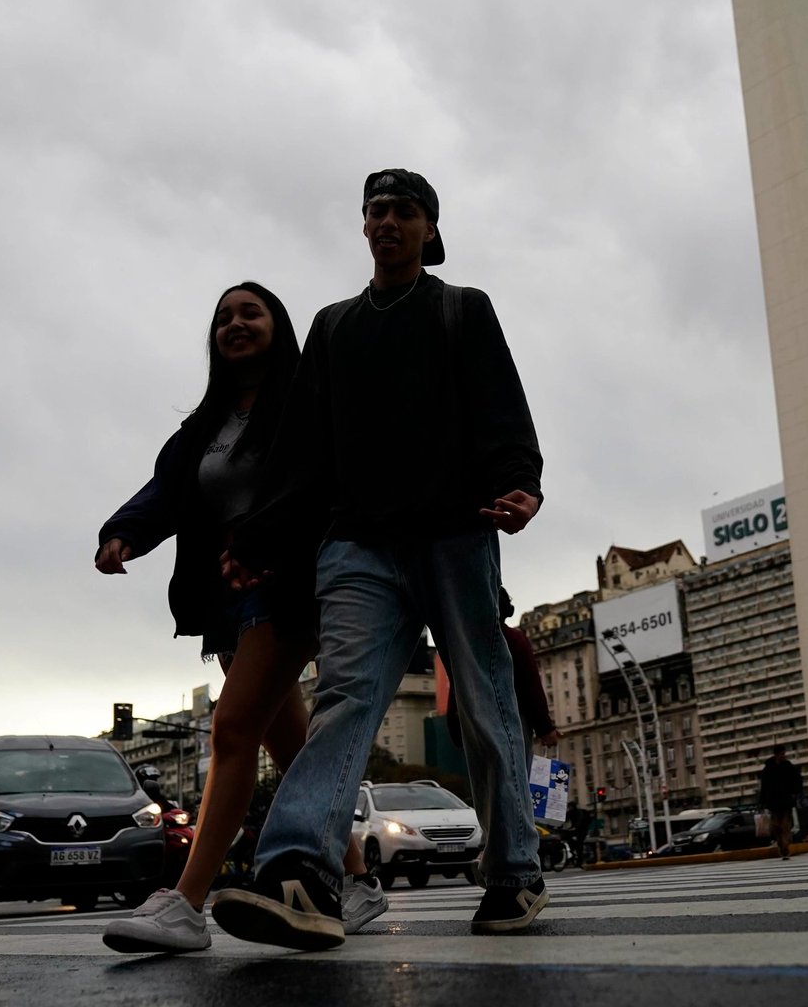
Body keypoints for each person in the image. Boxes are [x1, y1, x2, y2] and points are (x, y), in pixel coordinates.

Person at [211, 169, 549, 948]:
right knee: (346, 699)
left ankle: (513, 872)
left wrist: (520, 486)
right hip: (358, 545)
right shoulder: (334, 327)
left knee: (484, 701)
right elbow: (304, 451)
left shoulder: (463, 309)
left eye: (403, 211)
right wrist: (258, 537)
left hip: (455, 535)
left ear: (430, 230)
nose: (387, 222)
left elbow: (502, 405)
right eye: (375, 211)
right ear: (363, 228)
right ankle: (300, 873)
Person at [94, 282, 383, 954]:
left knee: (230, 730)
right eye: (223, 317)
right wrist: (123, 535)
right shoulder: (203, 428)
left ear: (279, 327)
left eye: (250, 312)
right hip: (227, 601)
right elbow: (166, 492)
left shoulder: (306, 407)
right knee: (286, 743)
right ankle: (360, 881)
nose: (235, 324)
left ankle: (185, 904)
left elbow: (331, 482)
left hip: (290, 589)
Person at [447, 587, 561, 772]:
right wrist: (545, 729)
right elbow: (531, 685)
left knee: (485, 786)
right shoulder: (513, 639)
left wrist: (457, 732)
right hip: (512, 723)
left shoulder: (466, 644)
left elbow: (457, 688)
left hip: (473, 727)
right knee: (515, 781)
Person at [757, 744, 803, 860]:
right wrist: (763, 801)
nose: (783, 756)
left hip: (785, 800)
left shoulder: (788, 766)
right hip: (773, 802)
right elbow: (764, 786)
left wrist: (794, 792)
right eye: (782, 754)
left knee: (785, 825)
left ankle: (785, 846)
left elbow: (797, 779)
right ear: (777, 754)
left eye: (784, 754)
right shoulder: (768, 768)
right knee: (776, 826)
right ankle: (781, 844)